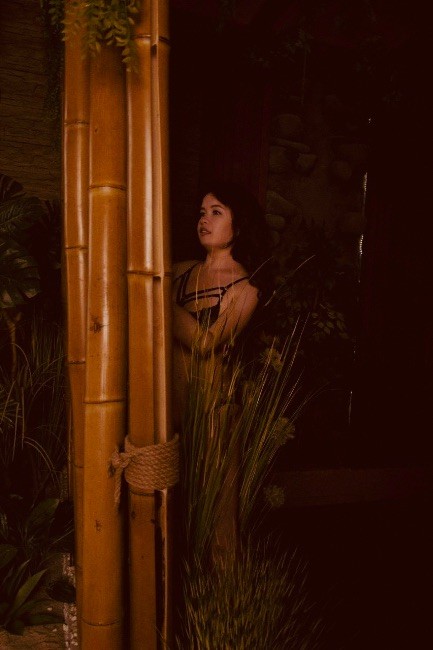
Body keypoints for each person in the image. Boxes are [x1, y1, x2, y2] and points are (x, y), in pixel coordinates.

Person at [172, 181, 272, 428]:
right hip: (161, 414)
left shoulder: (246, 288)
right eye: (202, 213)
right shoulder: (179, 271)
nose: (204, 219)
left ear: (238, 227)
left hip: (209, 422)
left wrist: (159, 301)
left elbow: (205, 343)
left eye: (216, 212)